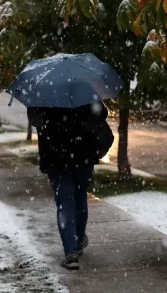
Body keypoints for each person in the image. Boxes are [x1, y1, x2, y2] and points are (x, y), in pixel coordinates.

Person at [27, 102, 114, 270]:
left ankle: (71, 252)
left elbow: (35, 120)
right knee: (80, 198)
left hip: (55, 154)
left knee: (64, 201)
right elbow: (101, 113)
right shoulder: (83, 85)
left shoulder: (44, 91)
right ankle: (78, 240)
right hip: (82, 153)